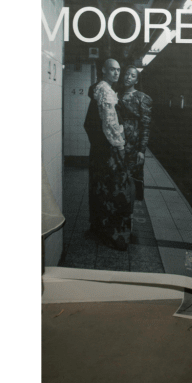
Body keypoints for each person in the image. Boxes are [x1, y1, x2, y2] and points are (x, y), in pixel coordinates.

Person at [83, 58, 134, 252]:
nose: (116, 73)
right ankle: (114, 235)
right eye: (112, 69)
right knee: (116, 190)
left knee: (99, 188)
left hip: (99, 150)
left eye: (118, 70)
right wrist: (120, 146)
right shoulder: (105, 91)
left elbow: (91, 124)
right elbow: (110, 123)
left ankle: (98, 229)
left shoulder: (102, 89)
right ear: (103, 70)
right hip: (109, 150)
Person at [118, 65, 153, 202]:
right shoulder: (117, 95)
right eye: (127, 74)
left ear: (137, 80)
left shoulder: (142, 98)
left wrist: (141, 151)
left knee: (132, 177)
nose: (128, 77)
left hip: (133, 144)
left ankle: (130, 206)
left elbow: (146, 126)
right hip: (118, 142)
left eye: (133, 76)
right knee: (119, 176)